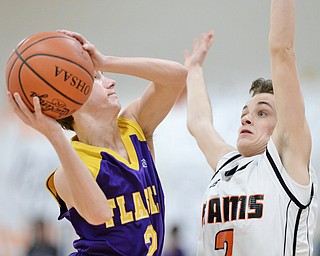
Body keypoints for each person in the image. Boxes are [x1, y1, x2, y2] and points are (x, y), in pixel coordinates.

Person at [7, 29, 187, 256]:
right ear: (71, 99)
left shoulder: (135, 126)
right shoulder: (70, 170)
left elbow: (177, 76)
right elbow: (99, 214)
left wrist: (106, 61)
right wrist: (53, 134)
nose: (111, 82)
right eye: (96, 79)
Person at [184, 0, 318, 255]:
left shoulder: (286, 164)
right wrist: (194, 70)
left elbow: (282, 49)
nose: (246, 118)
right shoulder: (228, 165)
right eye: (245, 113)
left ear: (284, 125)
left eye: (262, 112)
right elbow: (198, 122)